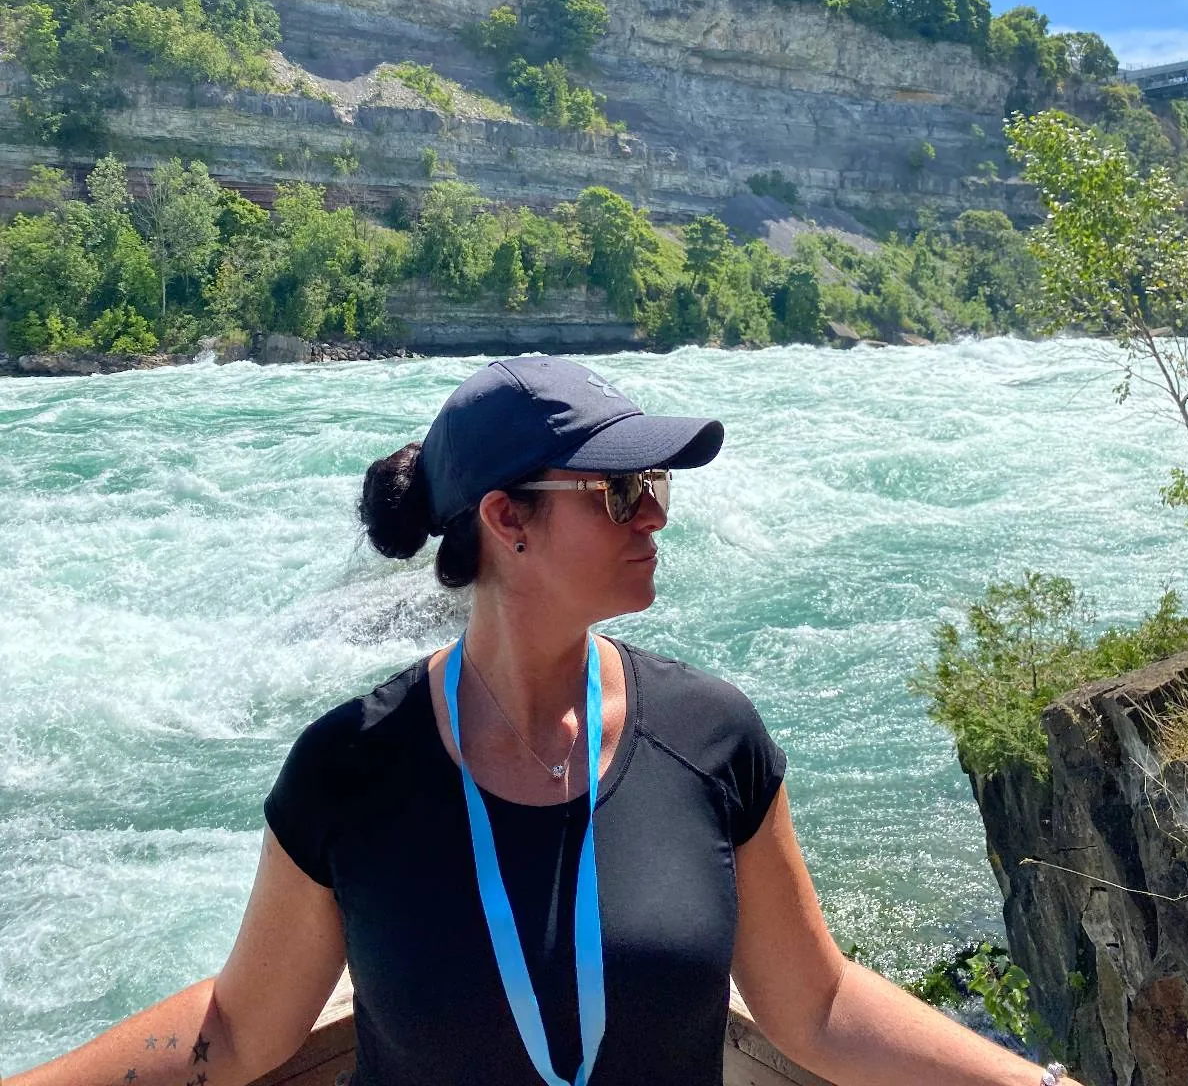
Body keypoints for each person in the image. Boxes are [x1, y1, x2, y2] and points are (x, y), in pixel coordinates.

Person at [8, 356, 1077, 1086]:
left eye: (654, 484)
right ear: (506, 519)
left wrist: (1032, 1080)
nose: (657, 515)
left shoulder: (713, 739)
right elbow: (240, 1031)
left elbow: (819, 1007)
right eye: (620, 493)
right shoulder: (350, 769)